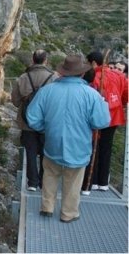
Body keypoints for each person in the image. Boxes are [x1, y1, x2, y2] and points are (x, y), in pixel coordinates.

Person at [26, 54, 110, 223]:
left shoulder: (47, 91)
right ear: (81, 73)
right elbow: (102, 121)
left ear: (63, 72)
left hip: (52, 142)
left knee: (50, 174)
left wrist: (45, 128)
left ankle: (47, 207)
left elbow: (32, 117)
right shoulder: (91, 94)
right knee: (73, 180)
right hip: (79, 145)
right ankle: (68, 213)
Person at [11, 49, 59, 191]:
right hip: (47, 123)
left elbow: (15, 101)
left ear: (33, 60)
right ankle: (44, 182)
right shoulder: (54, 78)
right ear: (46, 61)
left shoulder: (23, 77)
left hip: (27, 122)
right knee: (46, 153)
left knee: (30, 152)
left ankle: (32, 182)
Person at [81, 51, 128, 194]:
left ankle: (92, 181)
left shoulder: (93, 76)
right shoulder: (119, 75)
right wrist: (122, 104)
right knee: (106, 148)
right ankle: (103, 182)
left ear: (93, 63)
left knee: (93, 146)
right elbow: (126, 94)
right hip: (114, 116)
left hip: (97, 117)